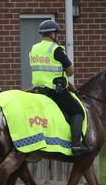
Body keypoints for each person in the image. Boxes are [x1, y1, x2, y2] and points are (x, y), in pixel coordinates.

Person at [29, 20, 92, 156]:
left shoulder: (34, 48)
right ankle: (76, 144)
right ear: (52, 33)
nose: (57, 35)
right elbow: (70, 71)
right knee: (78, 111)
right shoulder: (56, 49)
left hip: (37, 89)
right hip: (54, 91)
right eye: (56, 33)